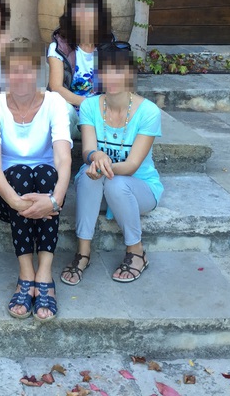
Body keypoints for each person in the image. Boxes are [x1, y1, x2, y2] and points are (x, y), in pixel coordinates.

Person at [0, 40, 72, 321]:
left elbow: (63, 159)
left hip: (46, 191)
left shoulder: (54, 103)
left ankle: (44, 273)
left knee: (46, 173)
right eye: (14, 70)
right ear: (5, 73)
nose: (20, 76)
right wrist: (17, 202)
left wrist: (54, 200)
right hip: (2, 193)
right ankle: (26, 273)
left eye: (27, 69)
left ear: (38, 71)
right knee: (20, 173)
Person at [61, 43, 163, 286]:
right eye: (105, 70)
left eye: (119, 70)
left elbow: (132, 165)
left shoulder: (149, 112)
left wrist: (101, 167)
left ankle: (137, 252)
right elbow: (87, 150)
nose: (112, 77)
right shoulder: (89, 106)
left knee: (115, 183)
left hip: (139, 188)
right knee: (88, 177)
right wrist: (96, 156)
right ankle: (83, 253)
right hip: (99, 186)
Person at [47, 0, 111, 138]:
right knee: (63, 110)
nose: (83, 16)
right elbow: (56, 88)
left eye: (89, 10)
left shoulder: (109, 46)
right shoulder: (59, 48)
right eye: (78, 10)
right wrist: (88, 104)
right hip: (73, 117)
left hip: (102, 116)